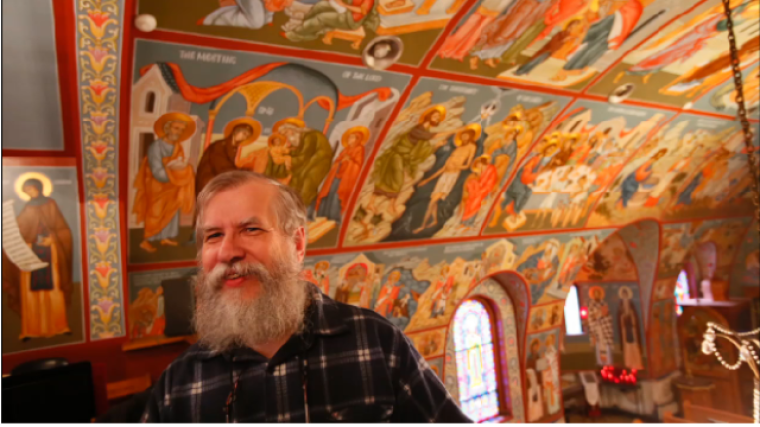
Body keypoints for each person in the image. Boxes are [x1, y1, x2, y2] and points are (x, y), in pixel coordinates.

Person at [141, 170, 471, 422]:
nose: (227, 251)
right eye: (213, 236)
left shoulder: (379, 345)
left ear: (297, 245)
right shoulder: (180, 385)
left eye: (251, 229)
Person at [1, 178, 73, 340]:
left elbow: (64, 230)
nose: (29, 193)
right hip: (31, 253)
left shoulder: (51, 205)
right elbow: (19, 229)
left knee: (53, 291)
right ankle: (30, 330)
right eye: (26, 191)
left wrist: (53, 238)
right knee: (30, 294)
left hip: (51, 253)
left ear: (39, 188)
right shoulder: (28, 208)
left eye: (31, 190)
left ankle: (60, 326)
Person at [132, 112, 197, 253]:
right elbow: (156, 169)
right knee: (155, 213)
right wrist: (176, 174)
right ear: (167, 129)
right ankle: (146, 240)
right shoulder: (156, 147)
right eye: (175, 128)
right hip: (156, 185)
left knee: (171, 212)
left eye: (181, 130)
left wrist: (182, 170)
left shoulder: (177, 146)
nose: (178, 132)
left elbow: (179, 163)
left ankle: (165, 237)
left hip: (172, 185)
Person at [413, 124, 480, 234]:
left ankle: (422, 226)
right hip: (445, 176)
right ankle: (434, 221)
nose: (464, 137)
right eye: (463, 135)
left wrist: (457, 166)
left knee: (432, 202)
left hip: (452, 176)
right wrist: (427, 180)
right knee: (433, 201)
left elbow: (467, 165)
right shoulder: (458, 148)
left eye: (466, 136)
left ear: (471, 137)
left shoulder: (471, 147)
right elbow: (443, 169)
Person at [315, 126, 369, 221]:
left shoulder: (359, 149)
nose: (349, 139)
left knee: (338, 196)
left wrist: (349, 161)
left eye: (351, 137)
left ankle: (334, 217)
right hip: (336, 176)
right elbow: (337, 161)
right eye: (349, 137)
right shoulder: (345, 149)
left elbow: (358, 166)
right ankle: (323, 214)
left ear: (358, 139)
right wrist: (340, 162)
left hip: (346, 178)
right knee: (329, 193)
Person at [617, 286, 643, 370]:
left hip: (632, 330)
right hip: (625, 331)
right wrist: (623, 317)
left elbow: (635, 317)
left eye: (626, 294)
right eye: (623, 294)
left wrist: (631, 317)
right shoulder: (621, 307)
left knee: (634, 347)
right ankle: (628, 363)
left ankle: (637, 363)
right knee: (627, 348)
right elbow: (619, 318)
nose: (625, 296)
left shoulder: (632, 305)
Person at [587, 286, 614, 365]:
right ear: (593, 295)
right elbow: (591, 316)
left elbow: (608, 315)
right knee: (599, 344)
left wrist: (605, 314)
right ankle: (600, 361)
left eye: (598, 294)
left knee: (605, 343)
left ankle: (607, 361)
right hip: (597, 327)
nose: (597, 295)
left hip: (604, 327)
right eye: (595, 294)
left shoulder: (603, 303)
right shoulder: (592, 304)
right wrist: (598, 314)